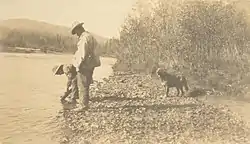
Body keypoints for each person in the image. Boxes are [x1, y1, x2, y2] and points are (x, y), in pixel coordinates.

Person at [71, 21, 101, 111]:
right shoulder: (90, 36)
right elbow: (97, 50)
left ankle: (83, 106)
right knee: (86, 84)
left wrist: (78, 65)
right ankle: (84, 103)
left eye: (76, 32)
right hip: (91, 63)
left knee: (82, 85)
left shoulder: (84, 38)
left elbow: (82, 53)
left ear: (79, 29)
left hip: (84, 65)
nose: (76, 34)